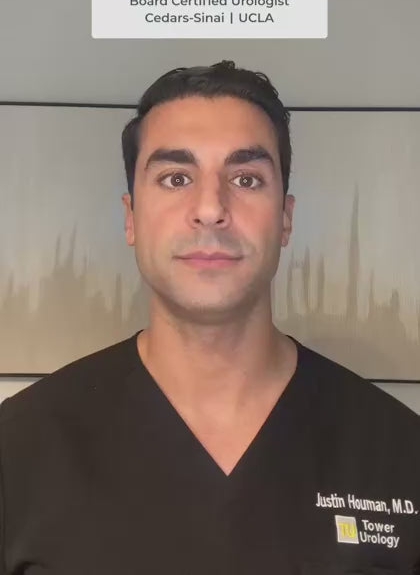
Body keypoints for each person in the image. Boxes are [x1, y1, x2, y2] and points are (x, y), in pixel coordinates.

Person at [0, 60, 419, 574]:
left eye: (246, 179)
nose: (210, 208)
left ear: (285, 219)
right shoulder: (19, 449)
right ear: (131, 218)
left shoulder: (400, 454)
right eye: (176, 178)